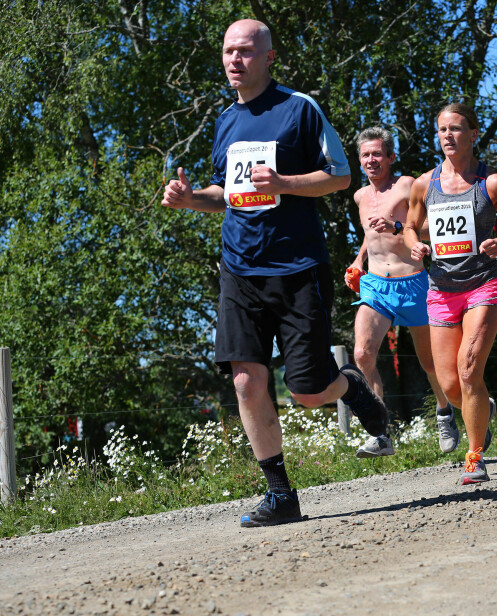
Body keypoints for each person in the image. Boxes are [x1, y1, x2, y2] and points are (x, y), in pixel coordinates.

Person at [160, 19, 392, 527]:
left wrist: (284, 181)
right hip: (239, 269)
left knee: (308, 390)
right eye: (227, 51)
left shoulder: (299, 109)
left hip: (295, 267)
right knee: (246, 380)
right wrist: (190, 199)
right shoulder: (225, 121)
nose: (233, 60)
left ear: (268, 58)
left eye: (244, 51)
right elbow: (227, 194)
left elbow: (340, 175)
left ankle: (352, 389)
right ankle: (280, 493)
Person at [405, 103, 497, 485]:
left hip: (483, 285)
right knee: (450, 384)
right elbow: (411, 227)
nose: (448, 136)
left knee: (468, 369)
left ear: (474, 134)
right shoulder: (423, 184)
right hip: (441, 289)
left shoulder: (492, 183)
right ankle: (482, 410)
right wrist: (415, 244)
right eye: (442, 129)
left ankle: (475, 456)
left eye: (456, 128)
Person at [346, 127, 463, 453]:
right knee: (362, 354)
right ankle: (380, 432)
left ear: (391, 157)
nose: (371, 160)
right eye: (365, 155)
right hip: (376, 285)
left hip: (413, 284)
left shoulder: (407, 185)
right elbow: (370, 237)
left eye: (377, 154)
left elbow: (431, 222)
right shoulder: (360, 196)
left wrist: (398, 226)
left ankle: (444, 410)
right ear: (360, 160)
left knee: (430, 363)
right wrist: (357, 261)